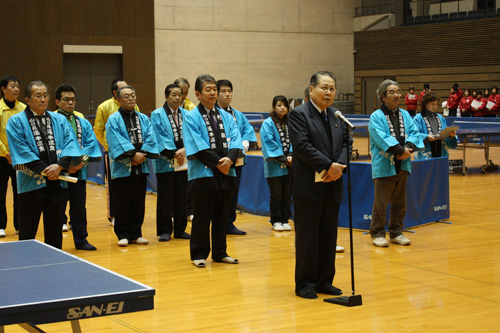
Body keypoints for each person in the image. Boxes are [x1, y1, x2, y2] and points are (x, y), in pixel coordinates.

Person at [288, 71, 352, 299]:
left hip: (332, 185)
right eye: (324, 87)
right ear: (311, 89)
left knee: (328, 237)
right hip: (308, 187)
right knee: (307, 238)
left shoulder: (336, 115)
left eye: (332, 88)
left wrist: (340, 166)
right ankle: (305, 282)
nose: (329, 92)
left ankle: (325, 280)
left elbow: (347, 142)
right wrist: (328, 166)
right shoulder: (298, 115)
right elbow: (302, 146)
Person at [6, 81, 82, 249]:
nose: (43, 99)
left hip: (57, 183)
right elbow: (20, 149)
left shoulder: (59, 119)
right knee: (27, 232)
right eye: (37, 96)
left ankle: (54, 267)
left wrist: (59, 166)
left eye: (45, 95)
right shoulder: (16, 121)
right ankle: (25, 266)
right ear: (27, 99)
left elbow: (71, 143)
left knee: (55, 231)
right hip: (31, 184)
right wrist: (47, 170)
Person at [182, 74, 243, 268]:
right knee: (202, 215)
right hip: (203, 174)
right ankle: (199, 254)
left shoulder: (226, 115)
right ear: (198, 94)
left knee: (222, 215)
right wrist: (220, 163)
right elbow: (197, 145)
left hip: (227, 173)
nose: (213, 93)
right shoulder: (191, 117)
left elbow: (237, 139)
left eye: (214, 89)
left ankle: (220, 252)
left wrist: (230, 159)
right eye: (208, 90)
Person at [368, 79, 424, 248]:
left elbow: (414, 132)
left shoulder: (405, 115)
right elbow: (380, 137)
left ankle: (396, 232)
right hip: (385, 165)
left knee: (400, 202)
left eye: (398, 92)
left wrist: (408, 148)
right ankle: (377, 233)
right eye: (391, 92)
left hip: (403, 165)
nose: (396, 95)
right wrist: (400, 151)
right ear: (383, 96)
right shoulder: (376, 116)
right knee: (381, 203)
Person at [105, 86, 159, 247]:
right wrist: (132, 155)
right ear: (119, 100)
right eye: (126, 96)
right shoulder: (113, 119)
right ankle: (122, 234)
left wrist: (141, 155)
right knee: (122, 203)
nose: (130, 99)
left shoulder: (143, 118)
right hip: (122, 169)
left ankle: (136, 233)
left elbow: (150, 137)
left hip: (141, 167)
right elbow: (115, 140)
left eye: (133, 95)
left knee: (138, 202)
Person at [55, 84, 102, 250]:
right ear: (57, 101)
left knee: (79, 208)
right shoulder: (51, 120)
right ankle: (54, 244)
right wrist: (65, 165)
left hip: (78, 171)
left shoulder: (83, 122)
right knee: (57, 208)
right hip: (58, 173)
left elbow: (91, 145)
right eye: (66, 100)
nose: (70, 103)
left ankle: (81, 240)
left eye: (73, 100)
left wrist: (81, 162)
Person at [93, 79, 140, 226]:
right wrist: (110, 147)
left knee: (133, 187)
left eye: (131, 93)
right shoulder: (104, 107)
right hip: (113, 154)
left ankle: (133, 219)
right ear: (116, 93)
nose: (130, 97)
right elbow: (98, 130)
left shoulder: (135, 106)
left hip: (136, 155)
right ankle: (113, 215)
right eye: (124, 91)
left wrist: (135, 152)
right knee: (114, 185)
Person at [216, 79, 258, 235]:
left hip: (237, 159)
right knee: (218, 193)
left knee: (233, 191)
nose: (227, 94)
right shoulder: (212, 114)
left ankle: (229, 223)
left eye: (229, 91)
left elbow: (248, 131)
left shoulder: (238, 115)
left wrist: (244, 143)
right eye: (223, 91)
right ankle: (217, 223)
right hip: (219, 160)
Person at [151, 83, 190, 242]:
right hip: (165, 161)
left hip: (184, 161)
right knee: (165, 198)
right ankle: (165, 230)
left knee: (183, 197)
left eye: (179, 94)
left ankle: (180, 230)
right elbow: (158, 136)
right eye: (173, 94)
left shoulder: (187, 114)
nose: (177, 97)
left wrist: (185, 150)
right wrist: (174, 153)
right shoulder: (157, 114)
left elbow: (192, 134)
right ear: (166, 97)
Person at [260, 95, 293, 232]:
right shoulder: (268, 123)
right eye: (279, 105)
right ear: (274, 107)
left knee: (287, 195)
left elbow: (296, 140)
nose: (282, 108)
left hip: (290, 164)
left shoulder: (291, 122)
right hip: (275, 165)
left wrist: (291, 154)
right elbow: (269, 142)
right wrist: (283, 158)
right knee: (277, 195)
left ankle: (285, 219)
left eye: (285, 105)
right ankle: (276, 220)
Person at [0, 75, 25, 237]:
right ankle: (1, 225)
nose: (16, 89)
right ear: (3, 89)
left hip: (20, 158)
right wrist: (5, 153)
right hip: (1, 158)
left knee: (20, 192)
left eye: (17, 86)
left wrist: (18, 153)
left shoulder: (23, 108)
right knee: (0, 192)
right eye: (12, 86)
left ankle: (19, 224)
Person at [413, 92, 457, 160]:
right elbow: (414, 135)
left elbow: (446, 136)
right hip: (425, 153)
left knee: (440, 169)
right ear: (425, 104)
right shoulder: (418, 118)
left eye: (436, 104)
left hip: (441, 151)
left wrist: (451, 136)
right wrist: (426, 137)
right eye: (432, 104)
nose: (434, 106)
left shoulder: (441, 118)